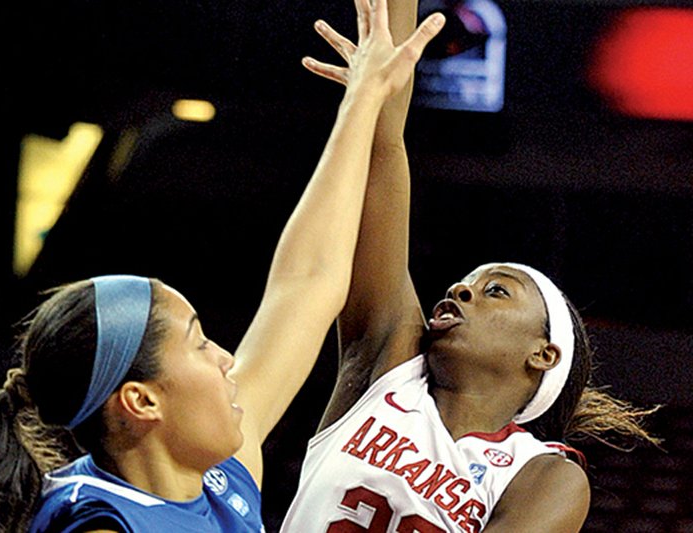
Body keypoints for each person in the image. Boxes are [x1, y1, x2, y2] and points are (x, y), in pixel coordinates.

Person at [0, 2, 447, 532]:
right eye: (200, 342)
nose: (228, 358)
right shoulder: (100, 522)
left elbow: (307, 283)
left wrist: (363, 98)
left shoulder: (214, 478)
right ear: (141, 400)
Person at [281, 1, 659, 531]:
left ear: (542, 354)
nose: (458, 292)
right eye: (463, 285)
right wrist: (375, 83)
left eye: (496, 291)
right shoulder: (387, 372)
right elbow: (383, 152)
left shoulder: (543, 474)